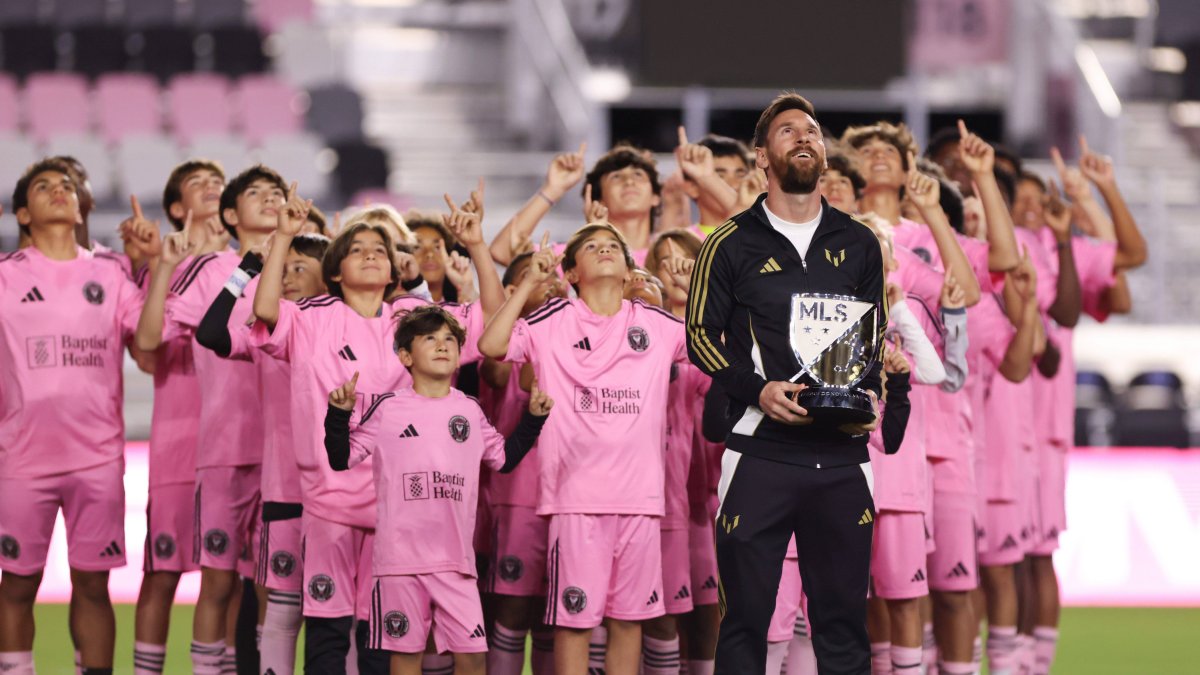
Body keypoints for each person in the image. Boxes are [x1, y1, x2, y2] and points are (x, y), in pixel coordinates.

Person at [251, 188, 503, 673]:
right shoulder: (311, 318)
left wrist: (476, 246)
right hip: (328, 500)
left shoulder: (413, 320)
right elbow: (265, 312)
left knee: (379, 640)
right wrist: (283, 235)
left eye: (380, 250)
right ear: (336, 271)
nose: (370, 255)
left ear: (394, 270)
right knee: (327, 631)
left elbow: (492, 325)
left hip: (398, 514)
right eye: (357, 250)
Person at [685, 92, 886, 674]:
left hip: (842, 455)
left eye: (813, 131)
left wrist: (863, 394)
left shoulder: (860, 242)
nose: (804, 137)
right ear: (761, 158)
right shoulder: (728, 243)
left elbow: (870, 340)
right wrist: (758, 392)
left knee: (845, 626)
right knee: (745, 622)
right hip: (758, 452)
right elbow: (699, 335)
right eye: (788, 131)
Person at [478, 223, 688, 675]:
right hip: (575, 499)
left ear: (631, 268)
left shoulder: (656, 324)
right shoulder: (551, 321)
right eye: (591, 247)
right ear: (571, 272)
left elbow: (717, 347)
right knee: (575, 623)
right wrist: (530, 285)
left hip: (641, 500)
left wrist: (687, 295)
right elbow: (491, 345)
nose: (605, 250)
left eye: (613, 246)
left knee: (628, 622)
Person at [323, 306, 553, 675]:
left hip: (455, 563)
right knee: (405, 658)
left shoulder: (470, 410)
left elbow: (503, 460)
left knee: (474, 657)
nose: (442, 345)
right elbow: (341, 458)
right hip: (400, 561)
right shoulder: (388, 408)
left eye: (449, 339)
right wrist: (337, 415)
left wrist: (533, 420)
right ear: (405, 356)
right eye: (429, 338)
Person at [136, 165, 290, 673]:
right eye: (256, 193)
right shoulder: (210, 272)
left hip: (287, 454)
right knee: (218, 580)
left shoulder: (302, 268)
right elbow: (151, 339)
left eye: (277, 192)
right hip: (225, 447)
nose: (270, 198)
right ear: (229, 214)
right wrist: (160, 267)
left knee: (275, 582)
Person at [0, 158, 151, 675]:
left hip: (97, 457)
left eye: (66, 184)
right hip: (22, 457)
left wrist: (161, 267)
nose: (59, 191)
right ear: (23, 213)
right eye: (43, 187)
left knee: (93, 584)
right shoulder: (4, 278)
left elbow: (148, 345)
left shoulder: (109, 270)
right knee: (18, 584)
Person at [132, 159, 229, 675]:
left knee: (229, 576)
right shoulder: (161, 271)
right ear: (175, 208)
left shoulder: (248, 265)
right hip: (179, 440)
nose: (212, 189)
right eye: (198, 184)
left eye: (218, 183)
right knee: (163, 572)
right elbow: (146, 353)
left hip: (238, 438)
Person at [481, 251, 566, 675]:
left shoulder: (579, 342)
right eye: (536, 276)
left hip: (574, 500)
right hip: (519, 500)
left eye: (555, 276)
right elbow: (495, 371)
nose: (550, 281)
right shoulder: (508, 350)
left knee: (560, 615)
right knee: (512, 613)